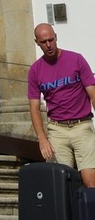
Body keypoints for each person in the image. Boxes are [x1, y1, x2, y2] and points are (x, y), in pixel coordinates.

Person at [28, 22, 95, 187]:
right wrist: (42, 138)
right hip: (57, 130)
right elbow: (34, 108)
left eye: (51, 40)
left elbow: (93, 94)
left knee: (90, 179)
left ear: (56, 37)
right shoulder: (35, 70)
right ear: (37, 42)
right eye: (43, 42)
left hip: (82, 125)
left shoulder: (76, 60)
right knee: (60, 183)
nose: (48, 45)